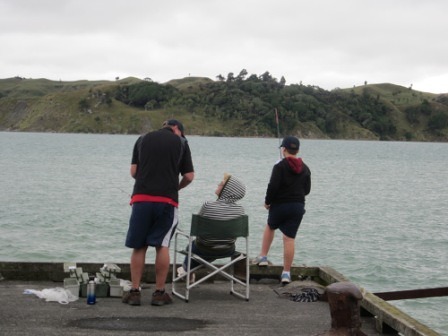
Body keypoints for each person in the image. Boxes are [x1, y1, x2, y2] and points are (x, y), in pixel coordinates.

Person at [123, 119, 195, 306]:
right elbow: (189, 176)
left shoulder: (142, 139)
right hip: (166, 201)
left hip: (140, 199)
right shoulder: (181, 143)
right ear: (177, 129)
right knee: (161, 245)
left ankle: (134, 292)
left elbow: (133, 171)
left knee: (139, 246)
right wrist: (176, 187)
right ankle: (159, 293)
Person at [255, 136, 311, 284]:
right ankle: (286, 273)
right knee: (289, 238)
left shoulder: (279, 166)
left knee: (270, 226)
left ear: (284, 149)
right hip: (298, 206)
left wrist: (268, 202)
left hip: (280, 205)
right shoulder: (305, 168)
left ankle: (263, 257)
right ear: (297, 150)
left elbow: (272, 186)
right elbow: (307, 190)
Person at [177, 173, 246, 281]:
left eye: (222, 184)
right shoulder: (240, 210)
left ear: (227, 190)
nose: (218, 184)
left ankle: (187, 271)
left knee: (191, 247)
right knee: (211, 247)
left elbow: (197, 227)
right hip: (228, 249)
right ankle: (187, 272)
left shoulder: (208, 205)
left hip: (204, 248)